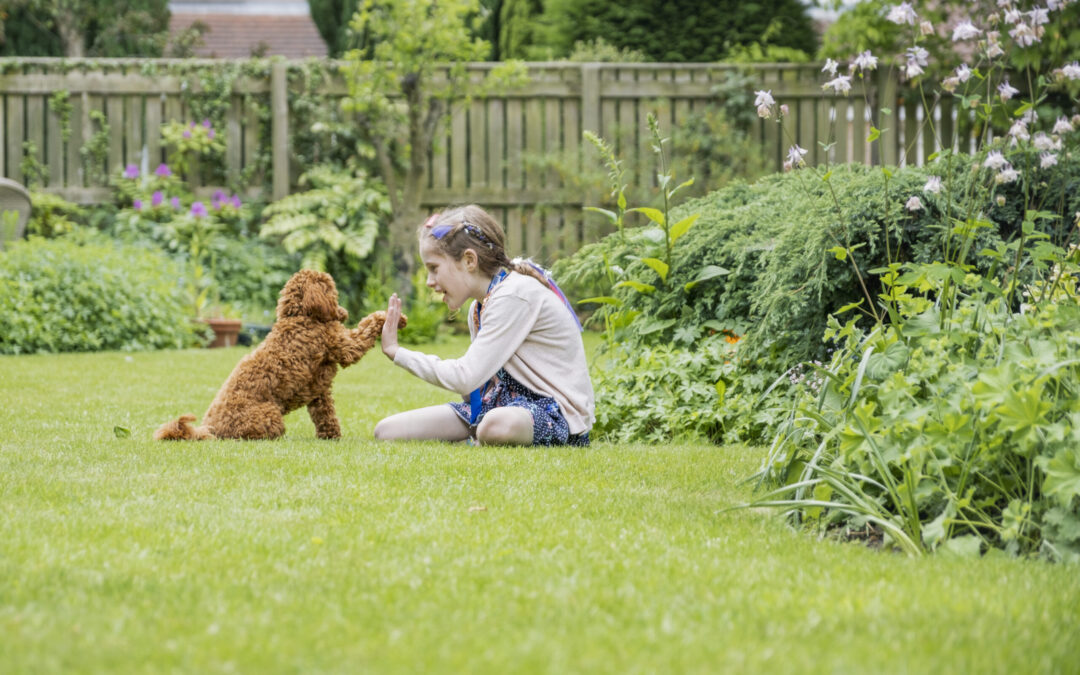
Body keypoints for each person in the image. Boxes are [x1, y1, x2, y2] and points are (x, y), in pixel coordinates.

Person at [374, 204, 594, 446]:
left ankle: (481, 437)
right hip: (500, 405)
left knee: (494, 426)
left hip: (553, 415)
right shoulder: (479, 307)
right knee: (386, 431)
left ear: (469, 260)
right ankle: (480, 436)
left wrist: (397, 352)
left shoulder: (514, 295)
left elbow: (464, 377)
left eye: (434, 269)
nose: (429, 282)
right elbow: (473, 388)